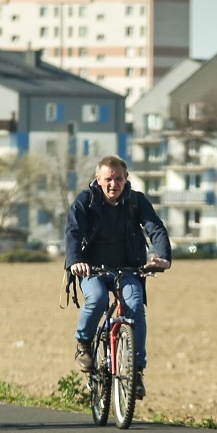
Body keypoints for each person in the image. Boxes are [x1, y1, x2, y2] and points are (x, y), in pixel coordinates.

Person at [64, 155, 171, 399]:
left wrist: (162, 256)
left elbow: (155, 227)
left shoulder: (136, 201)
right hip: (91, 269)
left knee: (134, 307)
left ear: (126, 180)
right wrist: (75, 262)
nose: (114, 184)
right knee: (98, 299)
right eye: (108, 179)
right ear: (98, 179)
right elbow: (73, 232)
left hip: (128, 268)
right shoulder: (85, 201)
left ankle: (135, 373)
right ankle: (83, 344)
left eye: (118, 179)